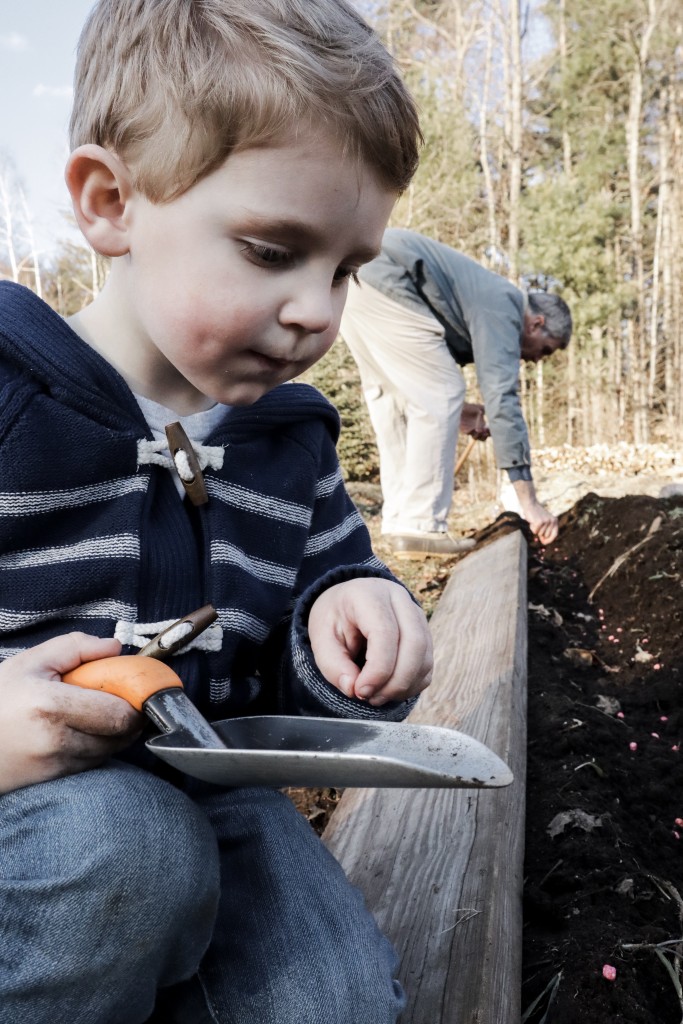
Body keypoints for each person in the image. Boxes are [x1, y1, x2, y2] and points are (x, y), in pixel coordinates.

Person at [0, 3, 430, 1022]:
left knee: (335, 994)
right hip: (26, 804)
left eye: (343, 269)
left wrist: (352, 621)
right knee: (129, 859)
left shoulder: (287, 440)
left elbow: (314, 606)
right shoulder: (12, 398)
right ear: (111, 201)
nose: (318, 312)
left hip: (212, 787)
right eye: (272, 250)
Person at [340, 228, 573, 556]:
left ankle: (401, 521)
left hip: (353, 276)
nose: (537, 360)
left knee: (393, 401)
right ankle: (420, 525)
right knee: (444, 388)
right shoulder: (505, 306)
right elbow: (502, 402)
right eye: (545, 350)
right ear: (536, 323)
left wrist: (461, 414)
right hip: (386, 275)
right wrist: (530, 503)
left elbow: (417, 383)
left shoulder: (486, 299)